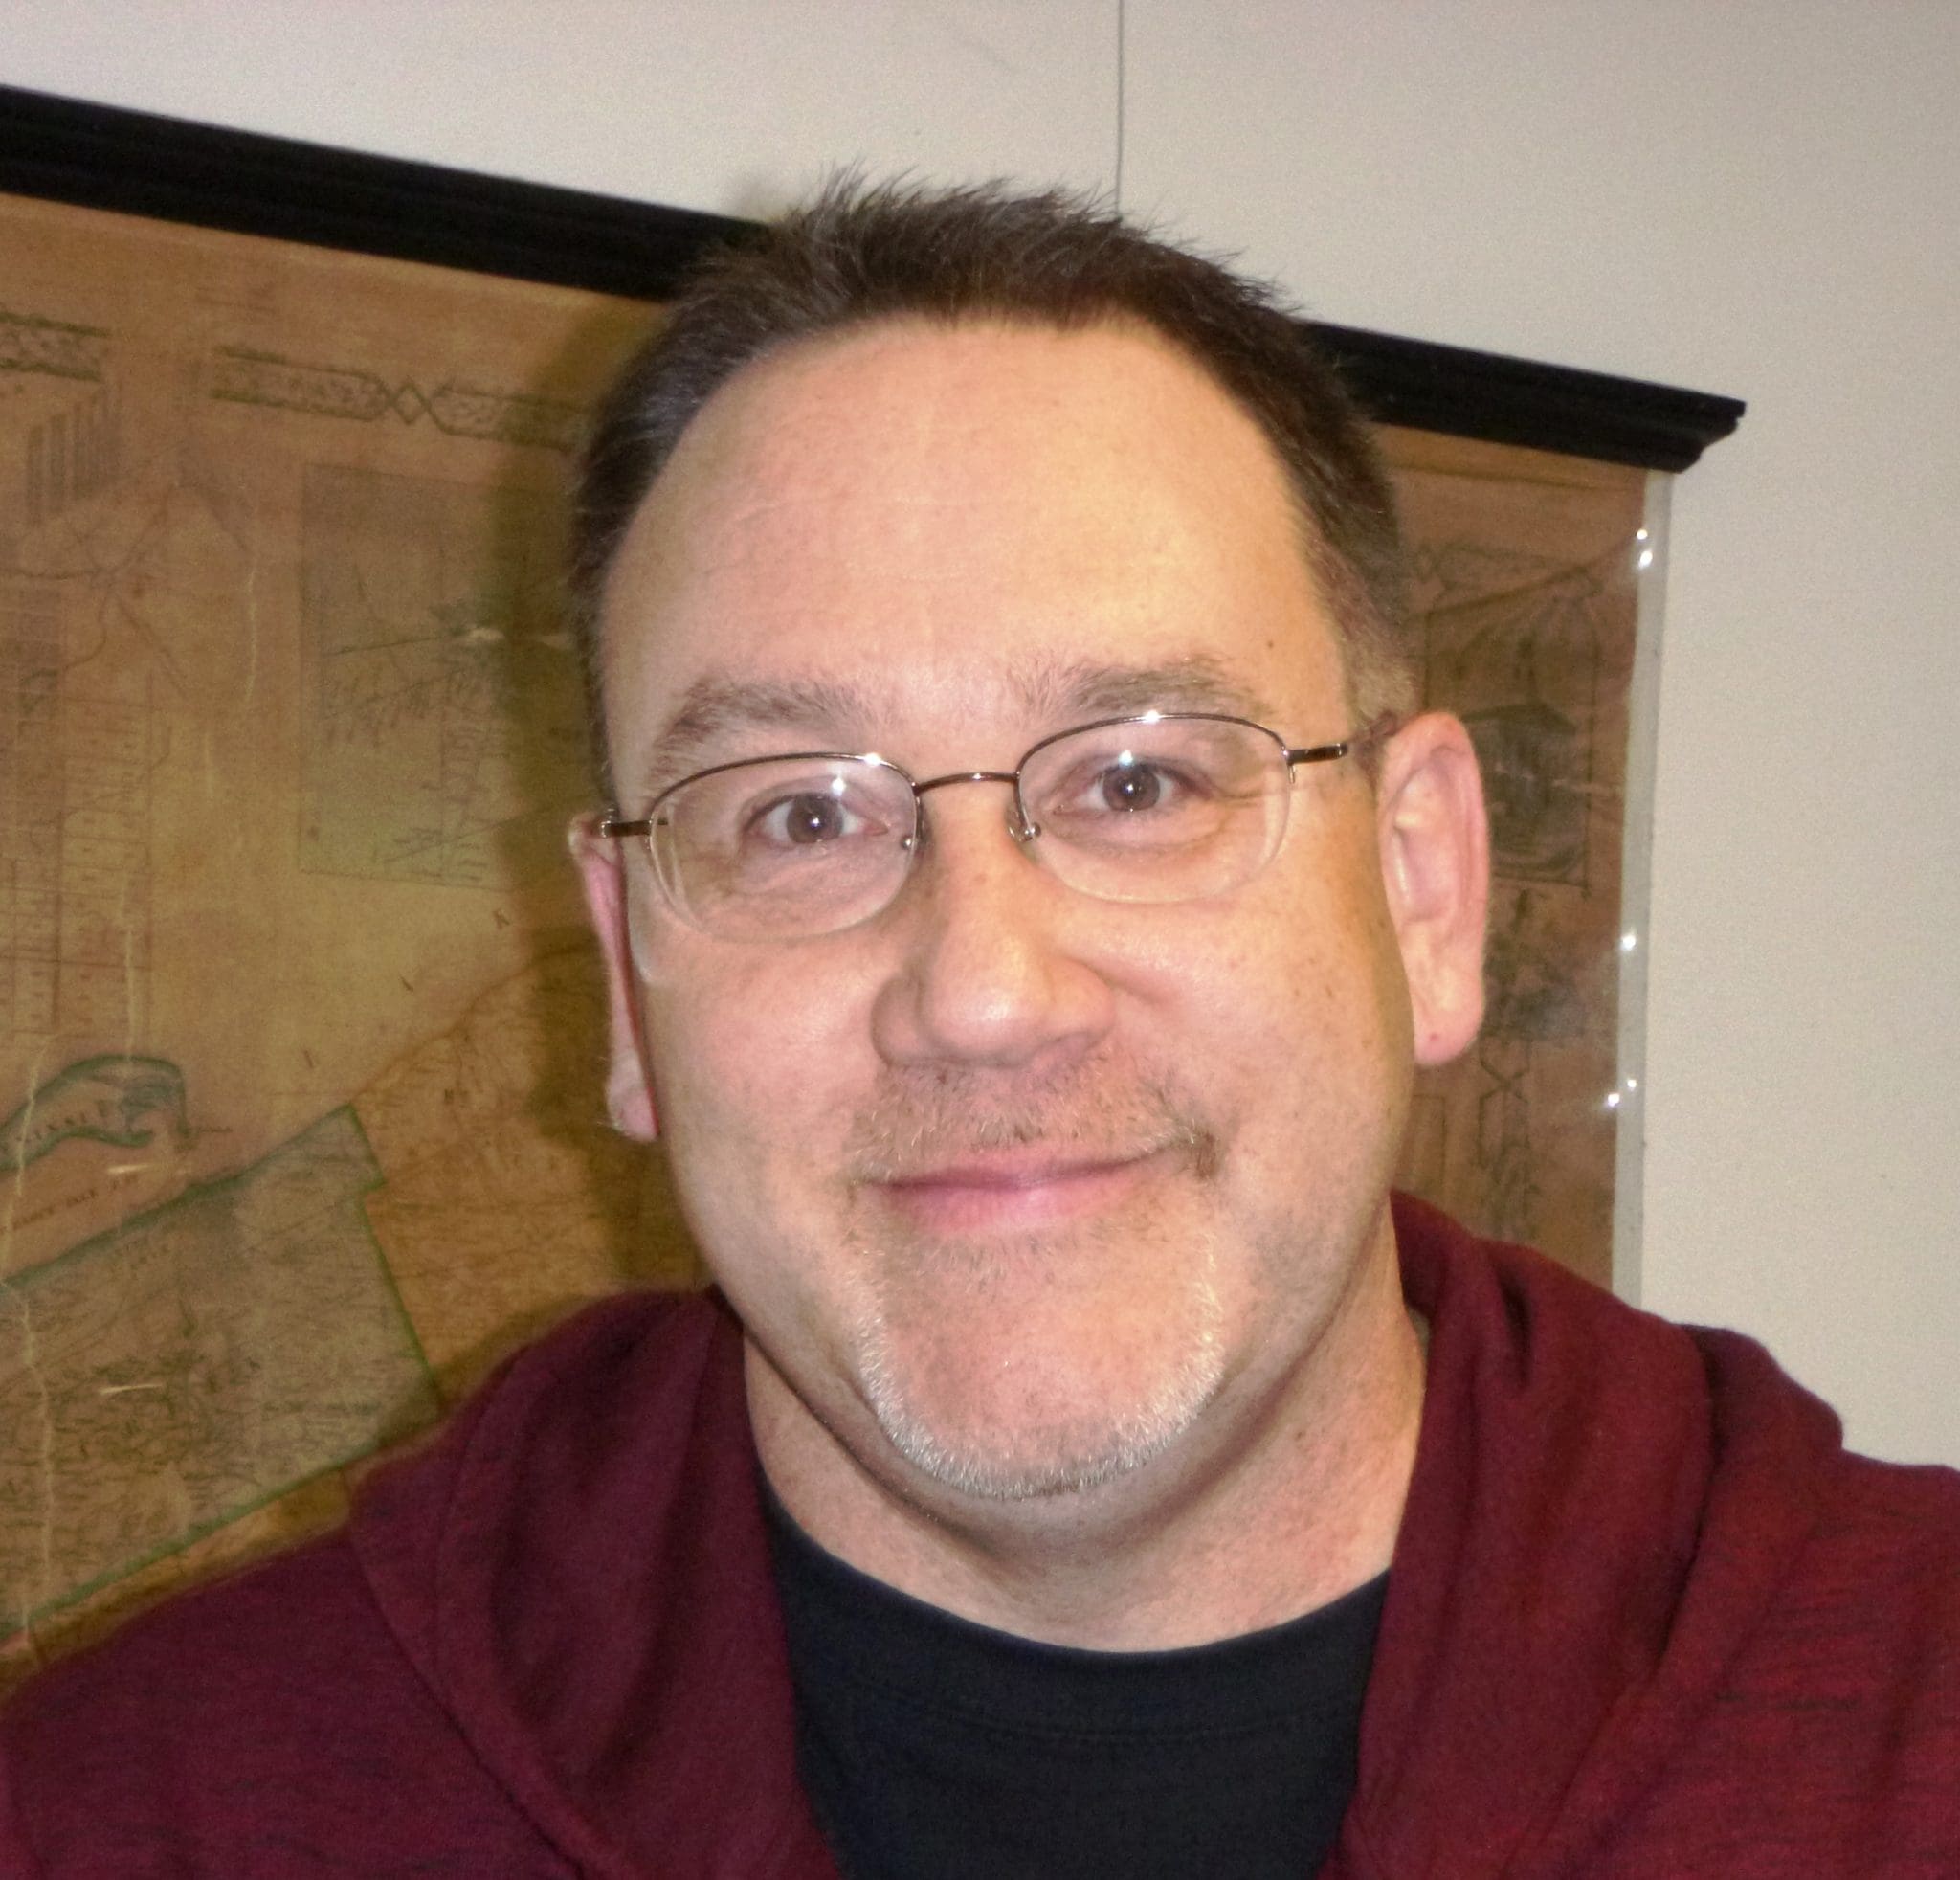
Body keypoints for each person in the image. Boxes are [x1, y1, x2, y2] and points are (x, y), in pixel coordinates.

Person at [4, 181, 1956, 1878]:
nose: (983, 992)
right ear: (625, 977)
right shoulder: (121, 1819)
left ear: (1423, 884)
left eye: (1136, 781)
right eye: (798, 817)